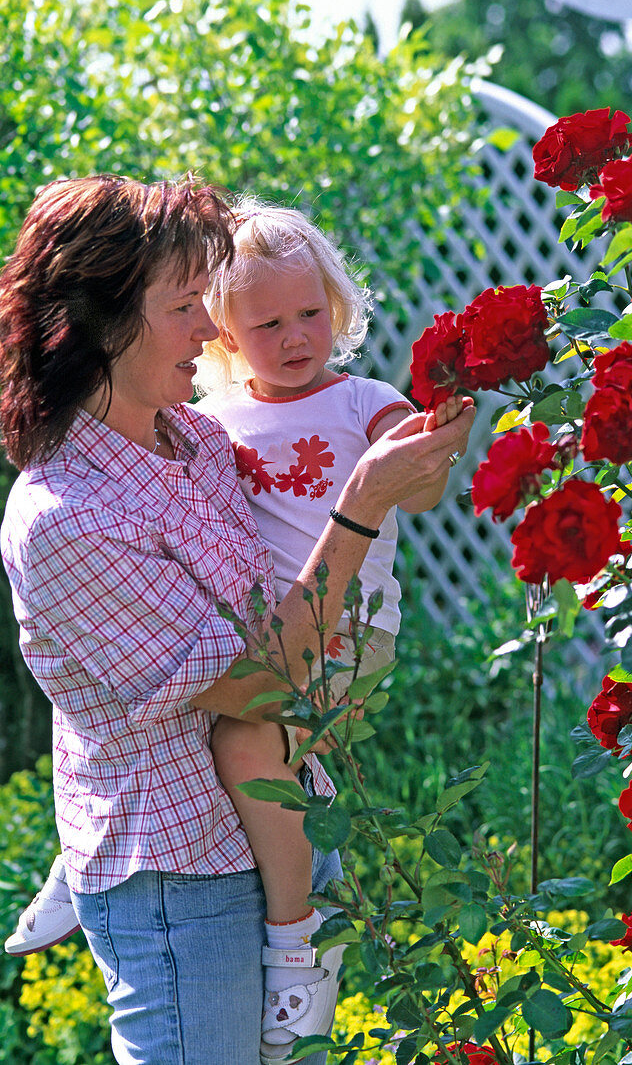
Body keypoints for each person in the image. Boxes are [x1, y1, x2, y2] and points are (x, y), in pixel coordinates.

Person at [0, 174, 474, 1065]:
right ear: (104, 325)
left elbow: (283, 612)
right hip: (184, 882)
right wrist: (362, 504)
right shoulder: (68, 518)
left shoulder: (195, 440)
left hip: (286, 818)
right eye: (188, 305)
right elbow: (260, 683)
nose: (213, 330)